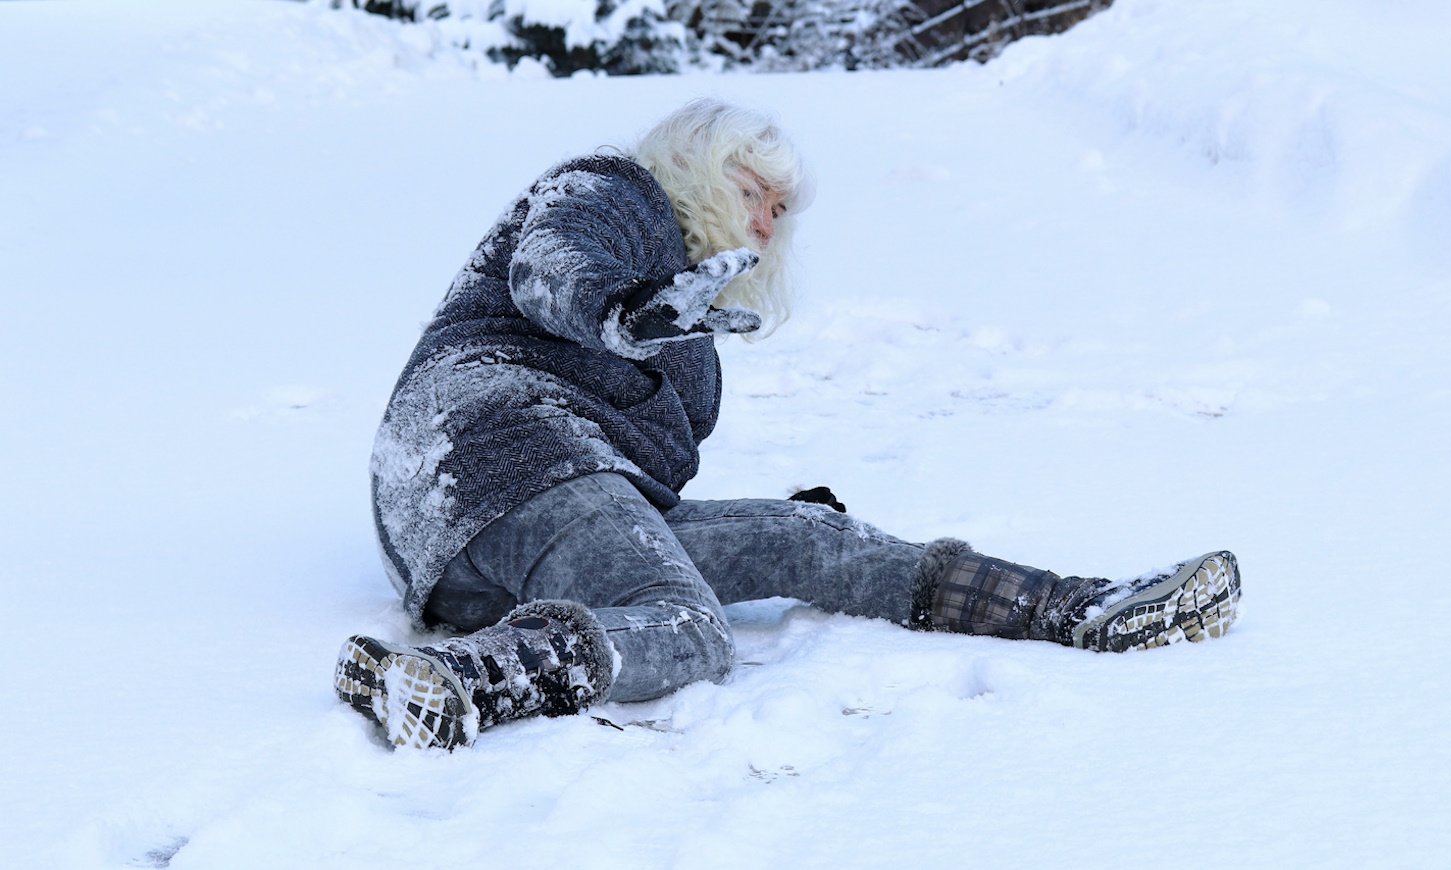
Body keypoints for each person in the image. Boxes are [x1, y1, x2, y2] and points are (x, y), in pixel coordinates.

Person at [333, 98, 1241, 751]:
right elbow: (549, 268)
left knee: (812, 534)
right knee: (686, 627)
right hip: (494, 449)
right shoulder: (613, 192)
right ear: (694, 163)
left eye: (781, 210)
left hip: (492, 535)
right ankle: (458, 682)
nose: (766, 223)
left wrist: (779, 519)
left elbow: (643, 505)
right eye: (752, 190)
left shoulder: (693, 335)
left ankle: (1085, 608)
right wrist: (625, 312)